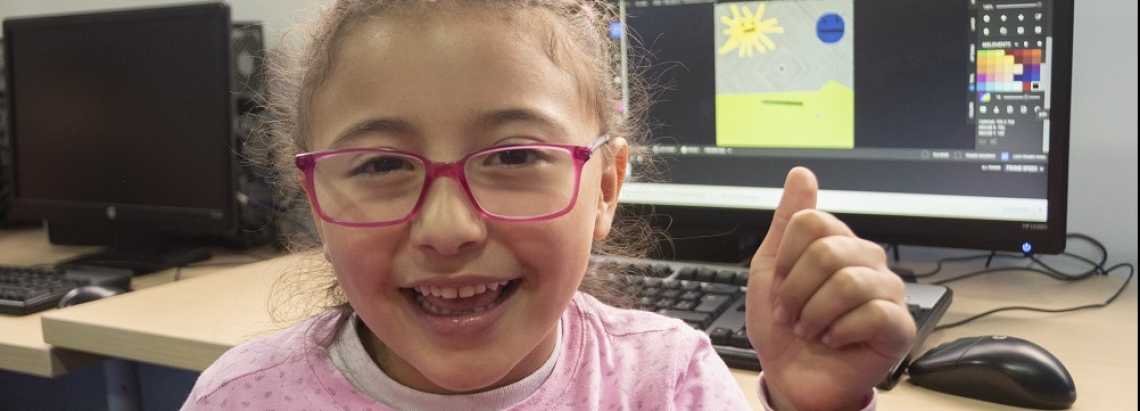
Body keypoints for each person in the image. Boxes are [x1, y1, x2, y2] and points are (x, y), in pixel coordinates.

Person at [181, 1, 915, 410]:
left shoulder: (668, 385)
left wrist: (815, 410)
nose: (449, 227)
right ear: (314, 198)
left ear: (603, 186)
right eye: (378, 164)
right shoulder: (243, 401)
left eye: (513, 156)